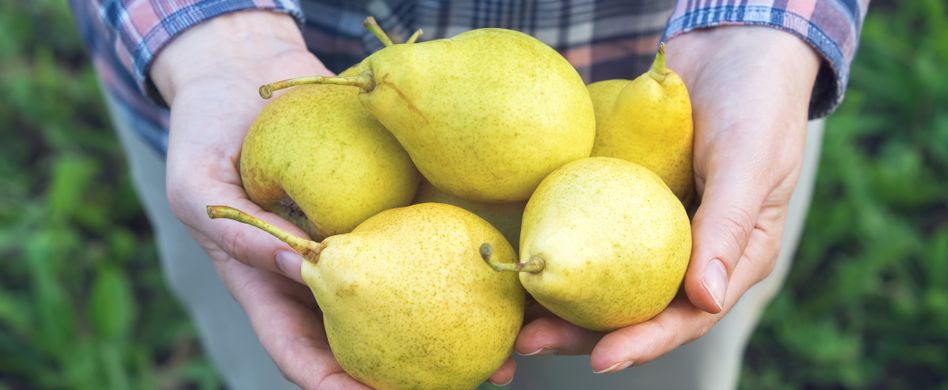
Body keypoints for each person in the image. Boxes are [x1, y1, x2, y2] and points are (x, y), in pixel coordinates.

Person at [71, 1, 869, 388]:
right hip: (248, 82)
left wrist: (764, 28)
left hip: (691, 116)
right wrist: (211, 36)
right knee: (269, 337)